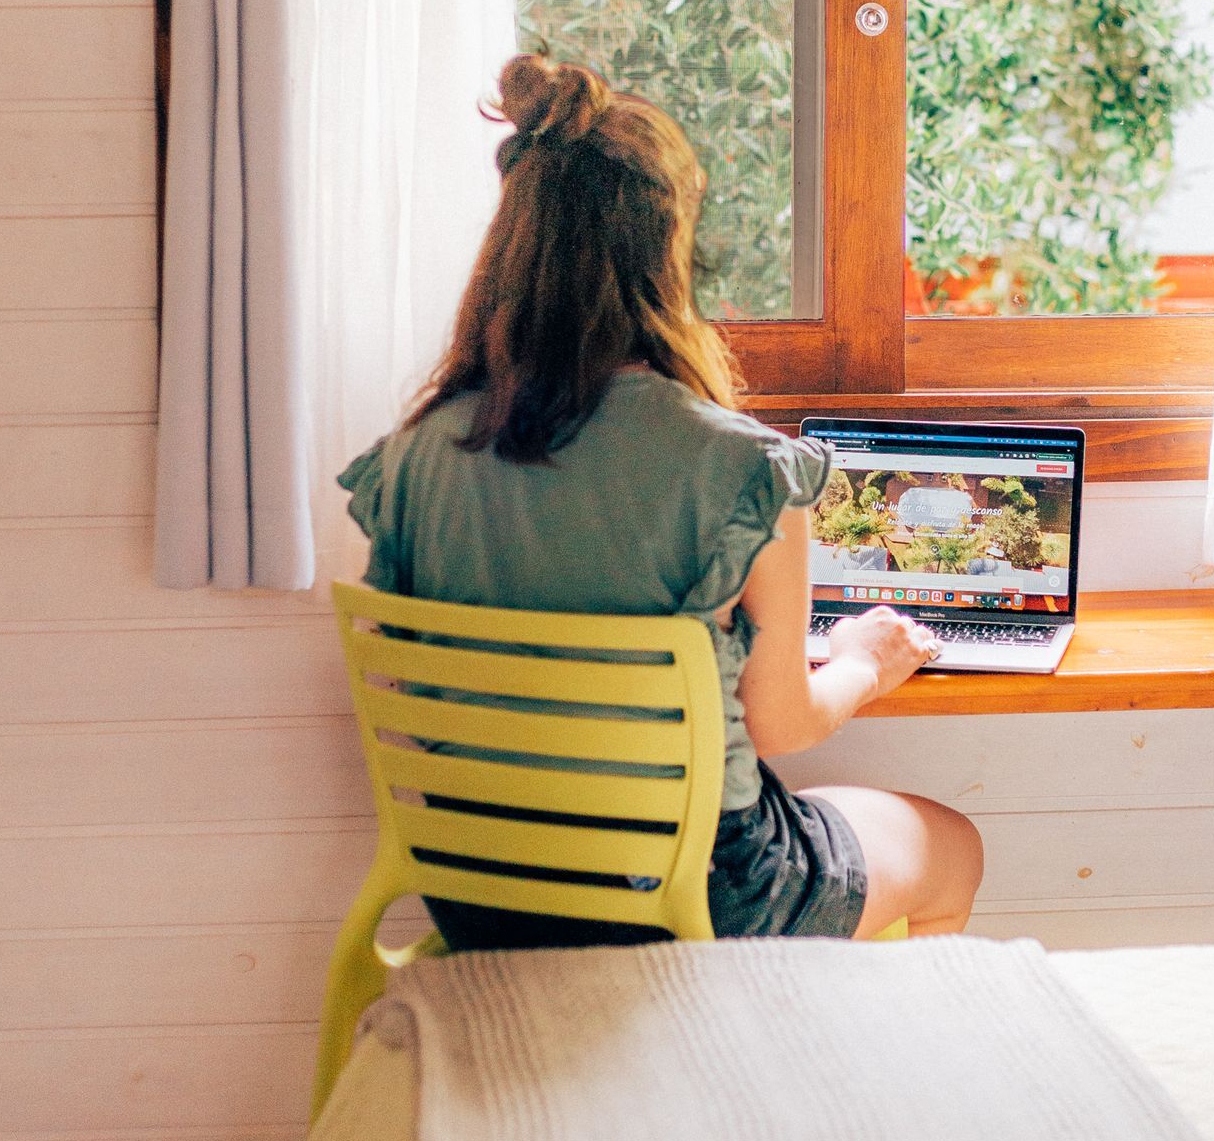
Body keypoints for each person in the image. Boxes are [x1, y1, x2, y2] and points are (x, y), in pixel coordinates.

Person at [339, 52, 985, 947]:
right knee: (953, 844)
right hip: (694, 899)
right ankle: (847, 1077)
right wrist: (868, 660)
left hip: (485, 894)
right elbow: (781, 725)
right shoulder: (741, 469)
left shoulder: (411, 460)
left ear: (510, 248)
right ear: (668, 250)